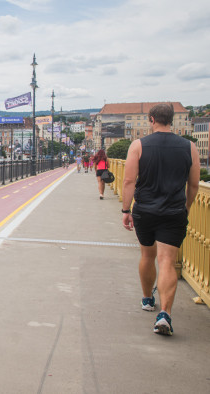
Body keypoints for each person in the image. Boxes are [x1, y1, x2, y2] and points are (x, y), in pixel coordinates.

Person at [121, 103, 200, 336]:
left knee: (147, 254)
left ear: (151, 119)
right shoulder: (189, 147)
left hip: (145, 210)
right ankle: (164, 313)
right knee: (167, 261)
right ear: (172, 120)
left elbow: (128, 181)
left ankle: (147, 299)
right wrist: (185, 207)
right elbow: (194, 184)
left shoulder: (138, 145)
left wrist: (126, 210)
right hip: (174, 211)